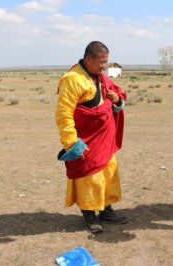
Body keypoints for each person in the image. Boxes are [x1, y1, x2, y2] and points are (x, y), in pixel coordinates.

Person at [56, 41, 128, 234]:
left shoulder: (101, 77)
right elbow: (64, 114)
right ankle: (89, 215)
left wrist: (117, 99)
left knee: (108, 173)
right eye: (101, 62)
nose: (104, 66)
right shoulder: (72, 79)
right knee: (89, 177)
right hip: (86, 140)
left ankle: (106, 210)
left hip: (105, 140)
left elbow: (118, 95)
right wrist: (72, 143)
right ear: (88, 59)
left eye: (106, 62)